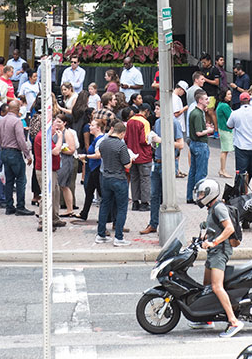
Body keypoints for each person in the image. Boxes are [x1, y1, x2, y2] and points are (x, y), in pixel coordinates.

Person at [192, 179, 242, 338]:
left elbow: (229, 228)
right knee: (206, 285)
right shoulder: (212, 207)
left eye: (201, 194)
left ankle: (233, 321)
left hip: (220, 251)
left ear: (210, 193)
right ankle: (206, 318)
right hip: (213, 251)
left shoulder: (219, 208)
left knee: (216, 286)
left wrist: (214, 242)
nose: (199, 197)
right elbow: (215, 227)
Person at [142, 100, 184, 236]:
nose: (155, 111)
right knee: (154, 195)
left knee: (167, 196)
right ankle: (153, 223)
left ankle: (166, 226)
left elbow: (180, 144)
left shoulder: (174, 123)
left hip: (168, 162)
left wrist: (163, 141)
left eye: (158, 108)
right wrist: (154, 143)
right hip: (157, 161)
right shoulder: (158, 122)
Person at [95, 120, 132, 246]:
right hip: (119, 178)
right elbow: (127, 164)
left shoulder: (103, 143)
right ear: (122, 133)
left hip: (105, 177)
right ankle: (119, 237)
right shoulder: (121, 146)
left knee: (105, 205)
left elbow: (100, 155)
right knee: (122, 208)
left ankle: (100, 234)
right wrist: (131, 159)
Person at [226, 92, 252, 197]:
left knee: (241, 173)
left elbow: (229, 126)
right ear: (249, 101)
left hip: (241, 147)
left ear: (240, 101)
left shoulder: (235, 113)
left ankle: (239, 196)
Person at [0, 100, 33, 216]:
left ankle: (9, 206)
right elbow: (21, 140)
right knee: (21, 180)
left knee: (9, 180)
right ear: (17, 109)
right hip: (14, 153)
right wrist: (27, 154)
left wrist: (3, 149)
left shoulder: (1, 121)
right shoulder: (17, 122)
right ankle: (20, 206)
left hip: (5, 151)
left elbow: (0, 137)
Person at [74, 119, 105, 222]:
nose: (89, 127)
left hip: (97, 168)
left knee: (101, 193)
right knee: (89, 191)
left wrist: (86, 156)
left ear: (98, 128)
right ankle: (84, 213)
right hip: (93, 168)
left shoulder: (100, 139)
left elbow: (98, 155)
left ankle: (108, 215)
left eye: (92, 125)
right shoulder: (96, 139)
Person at [215, 88, 234, 178]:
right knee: (224, 150)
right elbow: (231, 117)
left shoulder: (220, 104)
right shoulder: (225, 106)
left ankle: (222, 169)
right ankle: (222, 170)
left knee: (224, 150)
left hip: (222, 129)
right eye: (228, 94)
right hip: (225, 130)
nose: (230, 96)